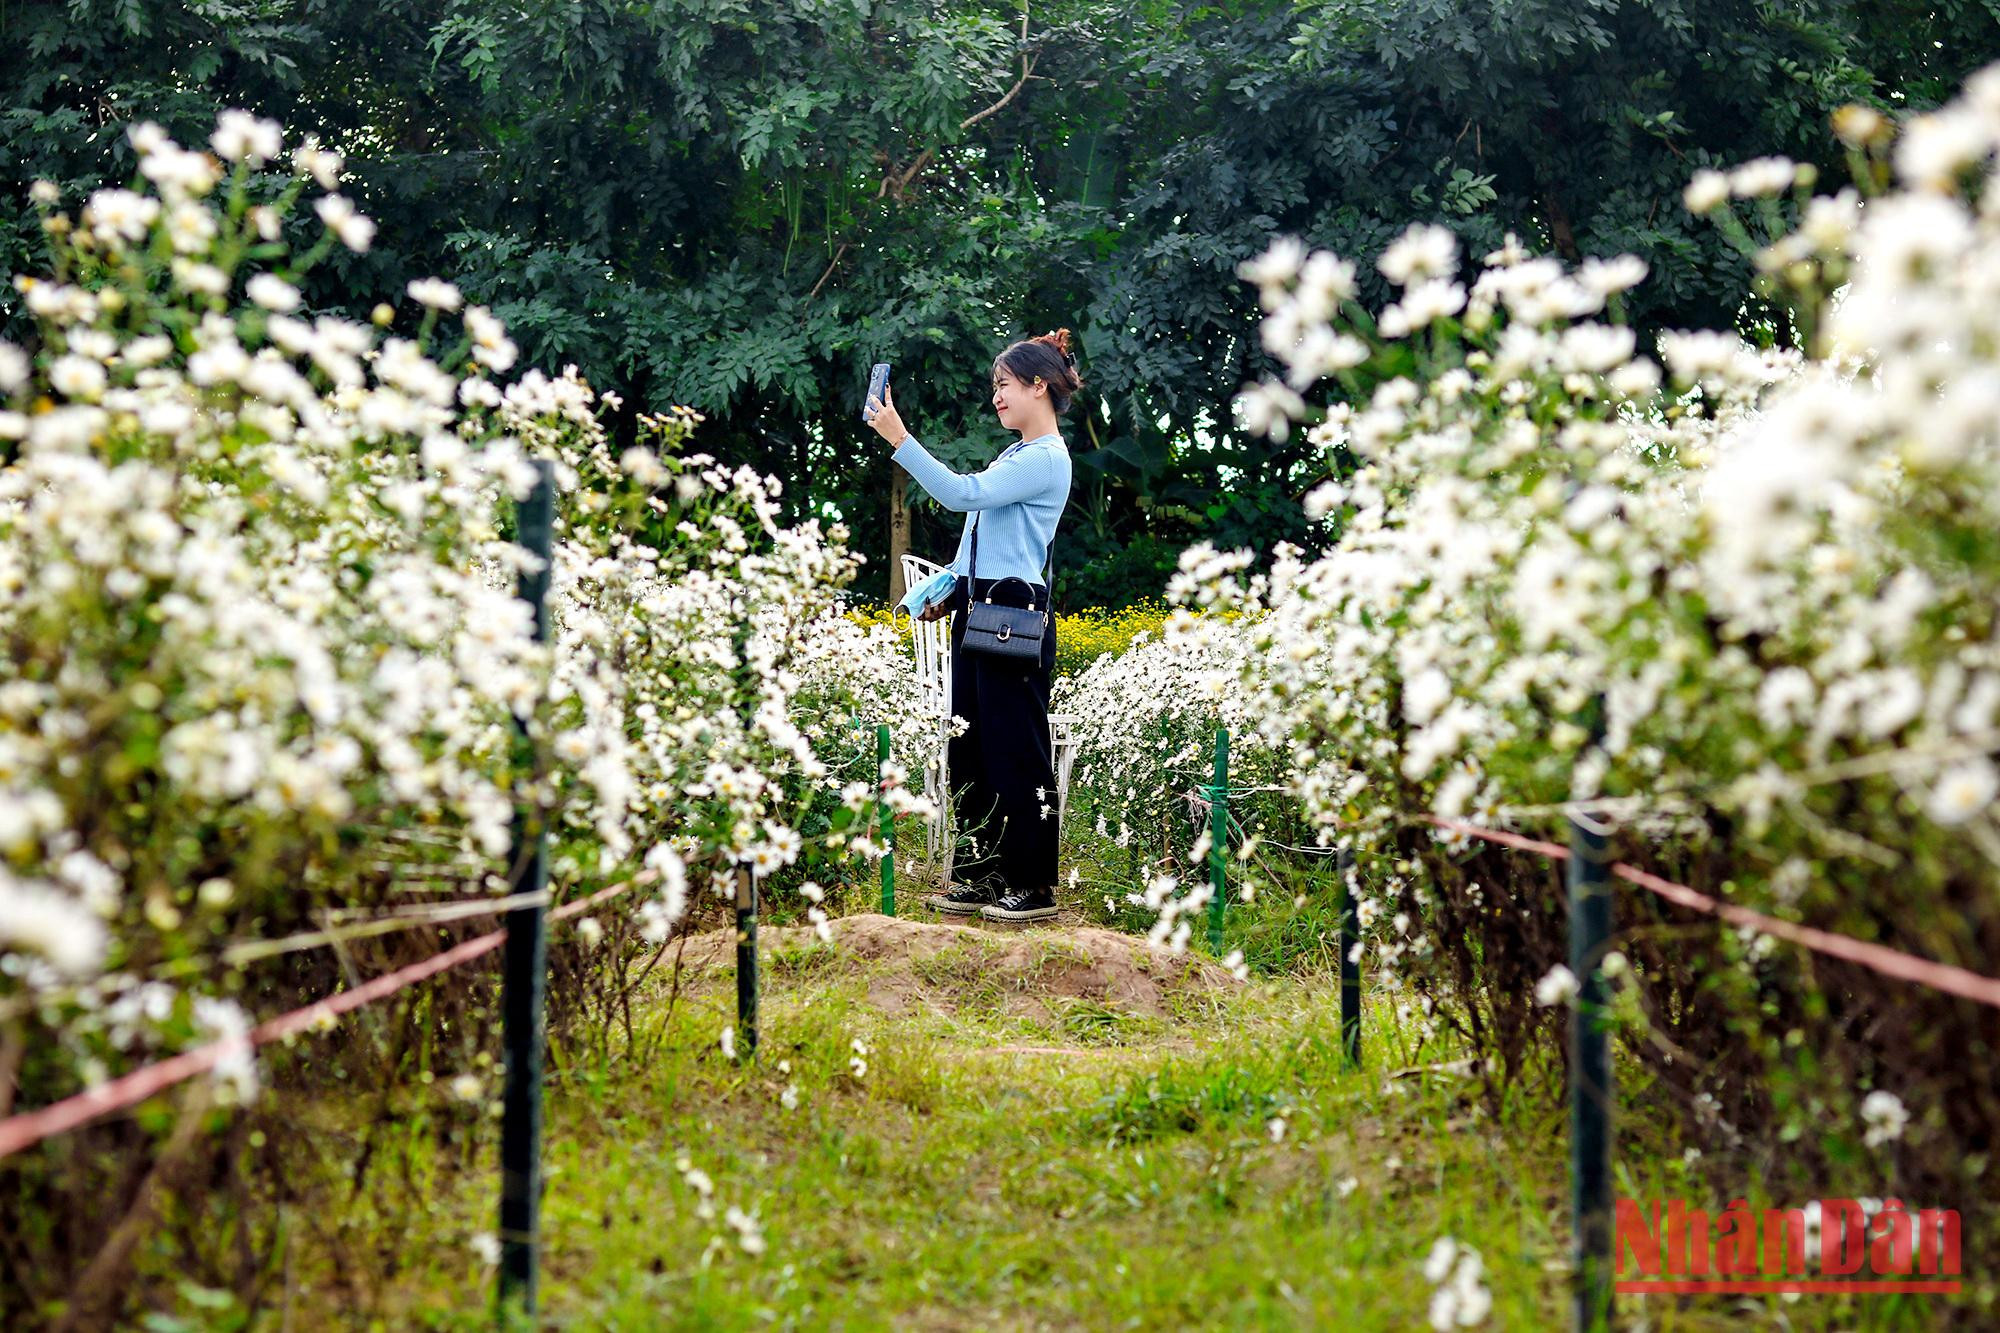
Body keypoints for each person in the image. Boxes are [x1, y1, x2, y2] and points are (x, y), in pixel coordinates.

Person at [864, 329, 1079, 922]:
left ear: (1039, 386)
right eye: (995, 388)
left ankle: (1033, 887)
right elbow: (978, 543)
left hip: (1015, 610)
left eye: (1004, 385)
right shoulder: (1014, 455)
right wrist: (946, 592)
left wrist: (900, 440)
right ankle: (981, 876)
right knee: (973, 748)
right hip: (981, 605)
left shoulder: (1044, 459)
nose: (997, 398)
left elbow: (961, 497)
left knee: (1018, 751)